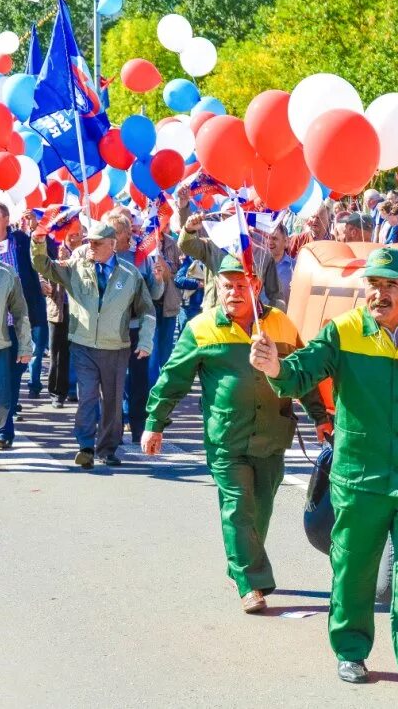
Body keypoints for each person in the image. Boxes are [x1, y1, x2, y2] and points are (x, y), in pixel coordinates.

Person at [250, 246, 398, 704]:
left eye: (390, 284)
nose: (380, 293)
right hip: (361, 480)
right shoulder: (344, 332)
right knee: (354, 571)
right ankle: (350, 651)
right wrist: (275, 367)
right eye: (373, 284)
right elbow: (300, 373)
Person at [143, 255, 330, 614]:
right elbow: (172, 380)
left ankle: (240, 563)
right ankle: (251, 584)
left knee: (260, 509)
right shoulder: (201, 328)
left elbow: (301, 375)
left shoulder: (280, 325)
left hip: (272, 437)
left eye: (241, 285)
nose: (234, 292)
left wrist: (319, 418)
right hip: (226, 438)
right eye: (227, 285)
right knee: (238, 508)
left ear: (256, 287)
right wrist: (155, 423)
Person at [32, 221, 155, 469]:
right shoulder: (76, 267)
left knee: (112, 401)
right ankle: (85, 446)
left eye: (97, 243)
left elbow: (147, 311)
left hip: (116, 347)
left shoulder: (131, 274)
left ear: (112, 244)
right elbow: (43, 265)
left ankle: (107, 449)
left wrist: (144, 340)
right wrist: (38, 242)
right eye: (89, 242)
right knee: (87, 397)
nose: (91, 246)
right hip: (83, 345)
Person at [105, 211, 166, 443]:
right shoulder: (102, 256)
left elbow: (154, 295)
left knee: (138, 381)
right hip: (110, 329)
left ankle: (139, 428)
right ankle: (115, 428)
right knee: (113, 380)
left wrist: (158, 279)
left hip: (136, 327)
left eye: (117, 232)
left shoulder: (141, 257)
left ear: (127, 234)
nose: (113, 236)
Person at [175, 189, 284, 311]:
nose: (230, 221)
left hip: (249, 319)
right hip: (215, 316)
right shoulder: (213, 245)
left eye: (234, 216)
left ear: (245, 219)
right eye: (225, 216)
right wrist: (189, 229)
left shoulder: (262, 253)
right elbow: (186, 245)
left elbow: (276, 294)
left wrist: (275, 320)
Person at [0, 204, 46, 449]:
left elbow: (39, 261)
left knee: (12, 378)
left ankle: (4, 425)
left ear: (6, 219)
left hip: (17, 322)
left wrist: (37, 231)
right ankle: (4, 430)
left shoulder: (20, 240)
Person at [43, 223, 84, 408]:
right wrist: (60, 264)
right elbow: (43, 274)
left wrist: (71, 264)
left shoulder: (85, 253)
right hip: (59, 308)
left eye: (78, 234)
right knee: (57, 352)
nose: (75, 238)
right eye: (72, 234)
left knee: (77, 351)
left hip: (80, 310)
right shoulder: (54, 250)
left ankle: (72, 389)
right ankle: (56, 393)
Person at [0, 261, 32, 449]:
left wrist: (25, 346)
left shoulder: (7, 273)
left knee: (2, 404)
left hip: (0, 346)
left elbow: (20, 313)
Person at [149, 230, 184, 383]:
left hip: (169, 304)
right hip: (149, 307)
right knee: (152, 351)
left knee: (165, 352)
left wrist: (165, 266)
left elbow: (180, 272)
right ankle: (151, 387)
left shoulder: (172, 243)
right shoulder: (143, 242)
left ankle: (164, 386)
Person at [266, 223, 296, 306]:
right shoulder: (257, 265)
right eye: (267, 238)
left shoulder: (295, 268)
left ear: (286, 242)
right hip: (260, 317)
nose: (269, 242)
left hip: (283, 317)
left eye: (274, 239)